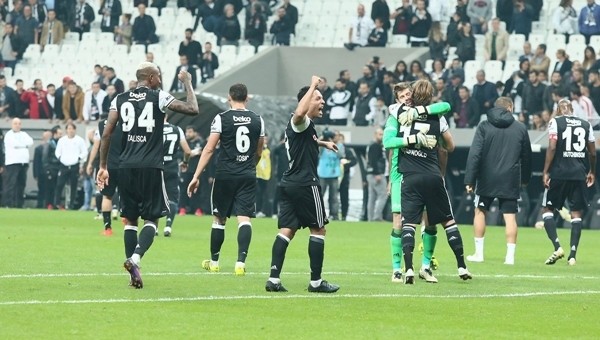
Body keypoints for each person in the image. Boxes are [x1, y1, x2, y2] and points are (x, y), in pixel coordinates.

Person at [96, 63, 199, 289]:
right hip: (151, 166)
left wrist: (103, 165)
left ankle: (132, 272)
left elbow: (106, 133)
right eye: (159, 77)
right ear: (151, 78)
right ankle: (135, 259)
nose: (160, 81)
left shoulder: (119, 99)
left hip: (125, 167)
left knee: (130, 220)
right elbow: (193, 109)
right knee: (152, 219)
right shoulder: (159, 96)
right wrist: (188, 83)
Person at [265, 76, 340, 293]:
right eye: (318, 98)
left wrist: (323, 143)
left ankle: (274, 279)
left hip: (289, 183)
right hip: (306, 184)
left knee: (287, 230)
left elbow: (306, 140)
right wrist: (314, 85)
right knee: (318, 229)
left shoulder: (303, 128)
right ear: (306, 102)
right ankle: (316, 282)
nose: (322, 102)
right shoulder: (300, 121)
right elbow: (299, 114)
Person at [397, 79, 472, 284]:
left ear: (412, 95)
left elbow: (390, 141)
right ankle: (461, 266)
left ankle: (409, 269)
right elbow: (451, 145)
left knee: (409, 225)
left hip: (410, 177)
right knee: (448, 222)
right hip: (432, 175)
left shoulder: (400, 114)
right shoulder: (438, 118)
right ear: (431, 97)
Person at [187, 83, 264, 276]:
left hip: (225, 174)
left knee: (219, 218)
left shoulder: (221, 118)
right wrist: (249, 166)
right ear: (246, 98)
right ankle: (240, 263)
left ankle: (214, 262)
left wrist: (196, 176)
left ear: (229, 97)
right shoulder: (258, 119)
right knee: (244, 218)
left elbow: (210, 148)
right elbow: (259, 150)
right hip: (247, 174)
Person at [383, 82, 451, 282]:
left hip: (424, 173)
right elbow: (388, 143)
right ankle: (397, 269)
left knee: (430, 220)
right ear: (397, 101)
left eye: (408, 95)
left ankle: (426, 266)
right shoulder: (396, 114)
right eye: (402, 97)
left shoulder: (426, 113)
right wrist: (413, 140)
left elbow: (446, 106)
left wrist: (419, 111)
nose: (406, 99)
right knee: (398, 222)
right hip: (400, 174)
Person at [464, 97, 532, 265]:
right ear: (510, 107)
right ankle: (510, 257)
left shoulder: (484, 126)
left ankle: (479, 254)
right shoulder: (520, 128)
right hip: (510, 178)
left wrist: (470, 180)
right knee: (510, 217)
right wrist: (525, 179)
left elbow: (475, 155)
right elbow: (527, 157)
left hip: (486, 178)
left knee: (480, 212)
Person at [541, 98, 596, 266]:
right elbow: (592, 152)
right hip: (579, 174)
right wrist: (592, 171)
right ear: (572, 109)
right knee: (576, 213)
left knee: (548, 210)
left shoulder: (555, 122)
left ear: (559, 110)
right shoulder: (586, 124)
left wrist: (545, 171)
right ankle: (572, 255)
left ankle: (557, 247)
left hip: (560, 172)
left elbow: (551, 147)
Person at [86, 112, 123, 236]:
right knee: (127, 194)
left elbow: (96, 146)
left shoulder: (102, 125)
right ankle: (127, 219)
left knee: (107, 196)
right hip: (125, 164)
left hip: (108, 165)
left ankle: (108, 228)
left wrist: (90, 163)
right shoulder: (127, 123)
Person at [160, 115, 191, 237]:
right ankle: (168, 226)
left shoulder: (153, 128)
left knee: (155, 196)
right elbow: (187, 151)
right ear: (167, 116)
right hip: (172, 167)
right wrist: (185, 162)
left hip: (157, 167)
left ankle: (154, 227)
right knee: (172, 198)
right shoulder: (177, 129)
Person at [54, 122, 87, 210]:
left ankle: (71, 204)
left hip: (74, 165)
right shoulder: (62, 140)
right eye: (69, 129)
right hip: (64, 165)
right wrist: (60, 158)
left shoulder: (79, 140)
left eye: (72, 129)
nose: (70, 131)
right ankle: (57, 203)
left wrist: (78, 158)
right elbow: (57, 152)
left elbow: (84, 152)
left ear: (75, 130)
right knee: (59, 184)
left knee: (74, 185)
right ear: (66, 130)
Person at [1, 118, 33, 208]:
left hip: (23, 163)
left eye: (19, 123)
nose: (17, 125)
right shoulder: (9, 135)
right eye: (15, 123)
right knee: (10, 184)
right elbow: (14, 144)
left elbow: (30, 142)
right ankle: (7, 203)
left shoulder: (24, 134)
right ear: (12, 125)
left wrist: (21, 145)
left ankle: (19, 204)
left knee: (21, 184)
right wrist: (24, 145)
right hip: (12, 163)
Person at [317, 130, 341, 220]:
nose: (335, 137)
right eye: (334, 135)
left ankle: (334, 215)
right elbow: (317, 149)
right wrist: (323, 139)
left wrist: (334, 143)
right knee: (320, 196)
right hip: (322, 174)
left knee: (334, 197)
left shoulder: (340, 145)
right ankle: (319, 214)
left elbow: (341, 154)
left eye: (337, 135)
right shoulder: (323, 146)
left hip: (334, 174)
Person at [33, 130, 51, 208]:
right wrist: (35, 174)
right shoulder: (38, 148)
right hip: (41, 172)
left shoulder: (53, 148)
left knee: (50, 190)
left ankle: (49, 204)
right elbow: (36, 162)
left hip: (50, 172)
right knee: (41, 190)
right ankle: (40, 205)